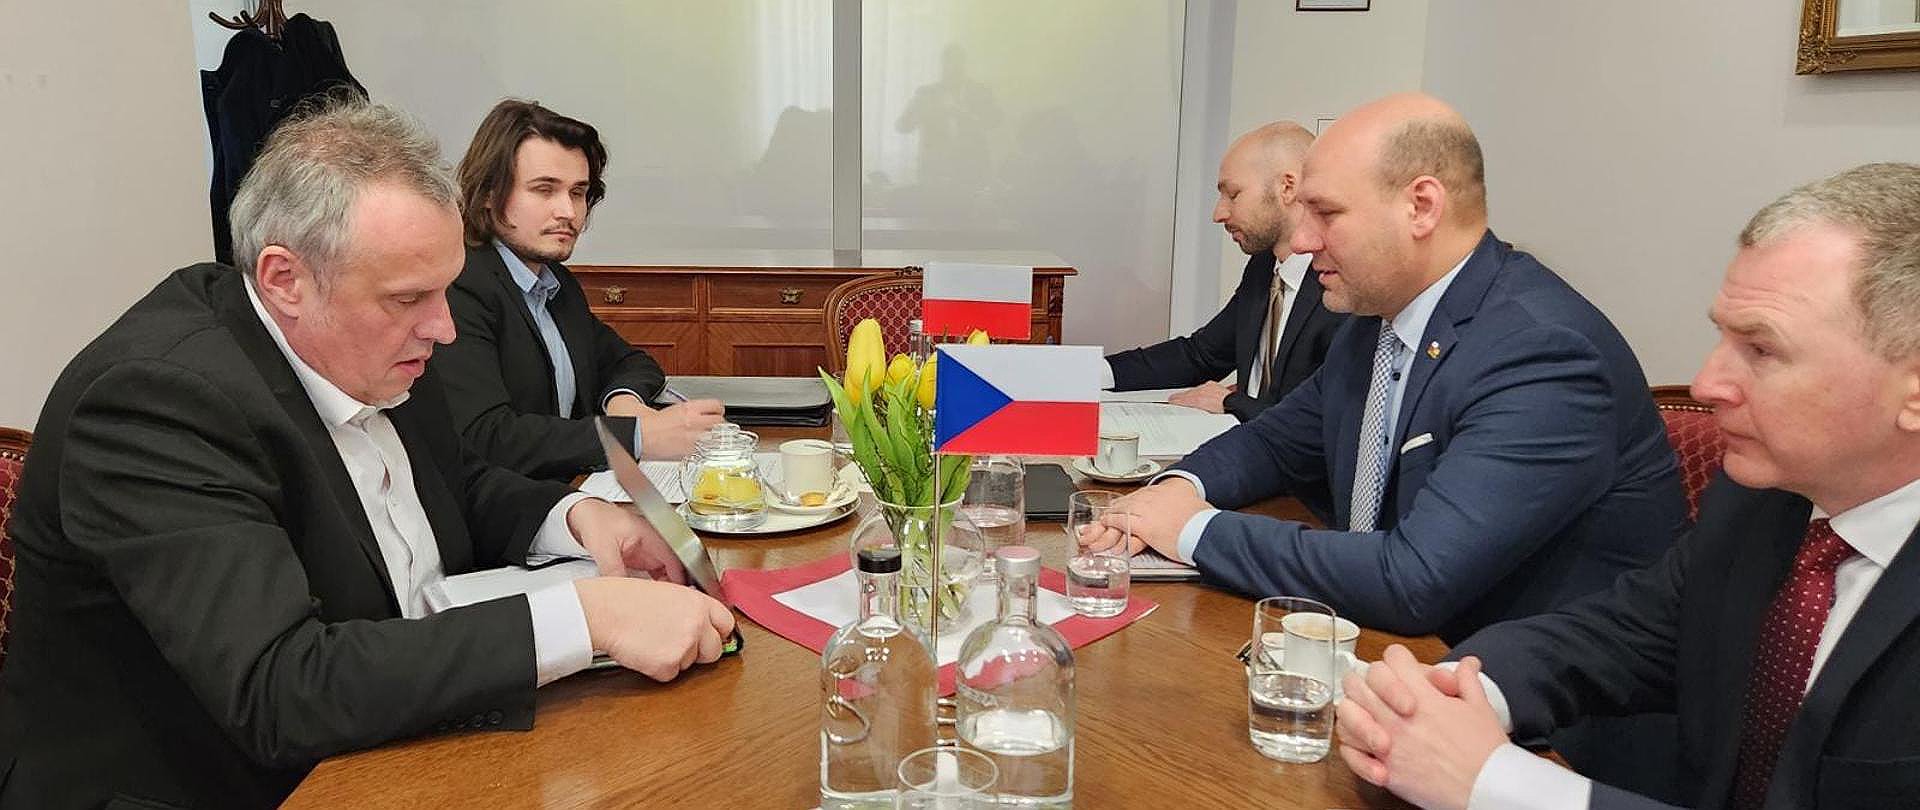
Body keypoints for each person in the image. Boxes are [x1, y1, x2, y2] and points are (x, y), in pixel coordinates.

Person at [0, 99, 736, 810]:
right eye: (409, 299)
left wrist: (577, 519)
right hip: (230, 784)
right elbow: (279, 687)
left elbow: (453, 482)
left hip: (395, 729)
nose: (444, 329)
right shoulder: (159, 401)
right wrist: (587, 618)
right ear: (285, 280)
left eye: (445, 291)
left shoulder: (368, 338)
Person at [1336, 162, 1920, 810]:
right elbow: (1618, 637)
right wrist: (1450, 693)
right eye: (1723, 337)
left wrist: (1494, 783)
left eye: (1761, 350)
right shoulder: (1761, 500)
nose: (1707, 384)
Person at [1084, 92, 1684, 642]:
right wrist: (1175, 490)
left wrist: (1192, 530)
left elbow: (1414, 579)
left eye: (1326, 214)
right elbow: (1274, 442)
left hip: (1513, 691)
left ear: (1421, 207)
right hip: (1389, 648)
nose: (1302, 241)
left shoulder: (1543, 354)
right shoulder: (1379, 318)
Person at [431, 99, 725, 481]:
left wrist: (624, 402)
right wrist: (635, 437)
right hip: (506, 514)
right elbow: (488, 438)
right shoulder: (459, 286)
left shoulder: (556, 283)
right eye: (544, 190)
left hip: (575, 493)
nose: (568, 212)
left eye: (577, 192)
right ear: (488, 193)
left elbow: (630, 362)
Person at [1104, 121, 1346, 421]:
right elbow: (1201, 355)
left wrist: (1234, 403)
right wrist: (1095, 372)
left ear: (1287, 187)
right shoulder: (1264, 266)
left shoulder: (1341, 289)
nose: (1219, 214)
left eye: (1233, 194)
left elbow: (1325, 422)